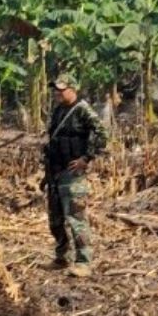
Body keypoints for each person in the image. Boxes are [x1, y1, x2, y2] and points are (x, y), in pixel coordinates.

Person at [43, 73, 106, 275]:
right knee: (55, 219)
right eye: (56, 90)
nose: (57, 93)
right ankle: (62, 257)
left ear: (73, 89)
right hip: (55, 171)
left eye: (61, 89)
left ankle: (84, 262)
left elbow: (103, 135)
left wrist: (86, 159)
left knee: (76, 218)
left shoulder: (82, 110)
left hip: (72, 173)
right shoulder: (58, 111)